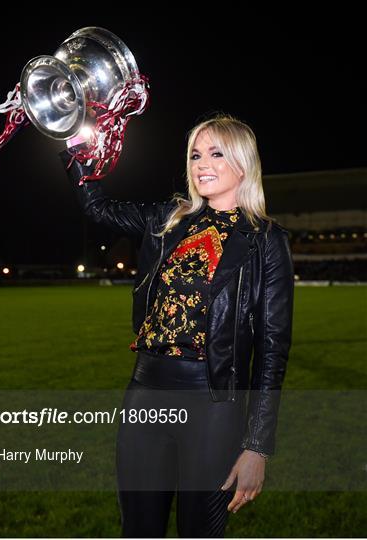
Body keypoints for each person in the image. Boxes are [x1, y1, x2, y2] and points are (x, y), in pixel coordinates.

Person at [60, 113, 294, 537]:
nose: (201, 163)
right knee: (138, 530)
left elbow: (273, 351)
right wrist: (76, 140)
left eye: (216, 153)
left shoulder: (266, 240)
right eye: (195, 154)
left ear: (243, 162)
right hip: (145, 392)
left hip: (213, 405)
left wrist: (257, 445)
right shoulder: (169, 218)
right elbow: (97, 208)